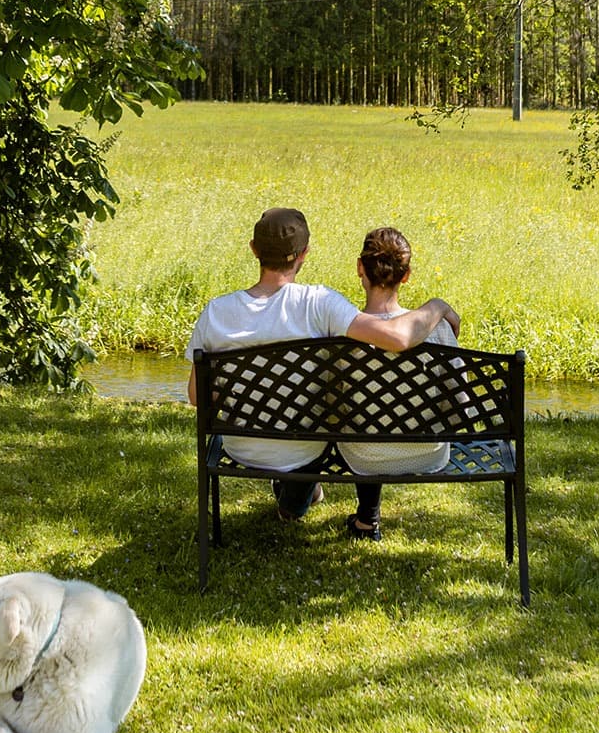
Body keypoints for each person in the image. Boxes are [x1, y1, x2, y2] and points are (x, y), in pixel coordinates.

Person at [185, 208, 460, 524]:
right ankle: (302, 501)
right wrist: (437, 306)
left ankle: (299, 498)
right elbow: (396, 337)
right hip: (305, 449)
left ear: (254, 250)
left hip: (241, 445)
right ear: (304, 254)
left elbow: (197, 397)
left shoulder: (216, 311)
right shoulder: (319, 303)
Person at [340, 227, 458, 542]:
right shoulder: (439, 331)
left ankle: (367, 520)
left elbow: (332, 406)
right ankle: (367, 519)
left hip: (362, 454)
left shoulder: (343, 334)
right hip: (428, 452)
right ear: (406, 276)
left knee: (362, 422)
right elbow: (456, 403)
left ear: (359, 268)